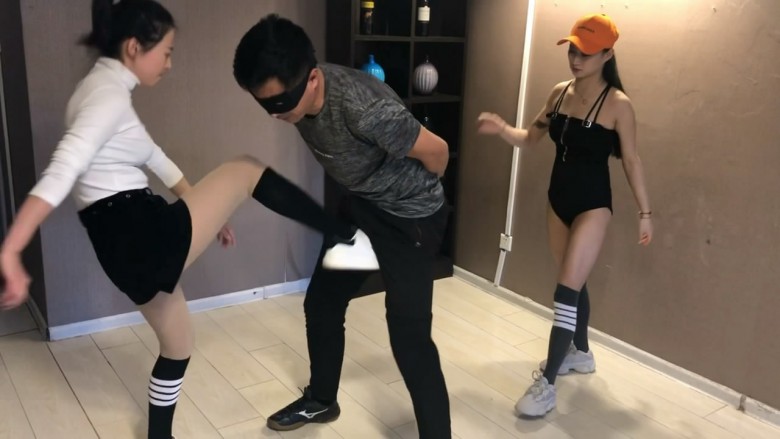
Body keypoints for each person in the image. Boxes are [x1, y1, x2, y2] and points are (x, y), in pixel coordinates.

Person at [0, 2, 376, 438]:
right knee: (245, 169)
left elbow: (154, 157)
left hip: (122, 251)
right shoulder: (104, 98)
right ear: (134, 47)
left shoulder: (97, 90)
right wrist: (11, 250)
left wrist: (204, 207)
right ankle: (345, 234)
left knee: (178, 345)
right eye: (166, 52)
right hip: (142, 233)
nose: (169, 64)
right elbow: (61, 171)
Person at [232, 14, 452, 438]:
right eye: (265, 105)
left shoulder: (364, 109)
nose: (275, 115)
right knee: (323, 303)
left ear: (312, 79)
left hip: (411, 219)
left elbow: (438, 152)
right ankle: (321, 400)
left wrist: (411, 194)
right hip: (362, 210)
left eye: (281, 103)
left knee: (408, 337)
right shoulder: (300, 100)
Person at [477, 13, 653, 417]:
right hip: (558, 201)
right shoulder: (559, 94)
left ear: (607, 55)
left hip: (593, 205)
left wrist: (646, 212)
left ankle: (548, 385)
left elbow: (632, 160)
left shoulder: (618, 105)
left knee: (565, 292)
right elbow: (530, 137)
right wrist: (502, 127)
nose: (576, 59)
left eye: (586, 53)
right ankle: (581, 352)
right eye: (572, 50)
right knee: (573, 282)